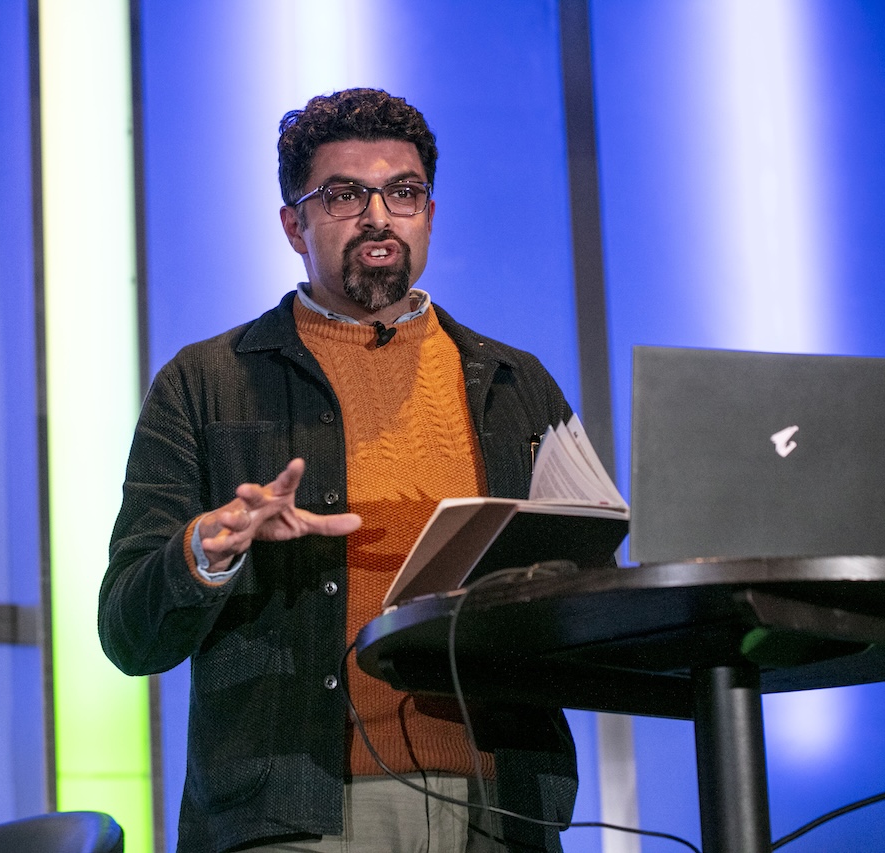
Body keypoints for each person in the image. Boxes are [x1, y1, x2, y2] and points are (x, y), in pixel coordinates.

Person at [100, 88, 577, 853]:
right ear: (295, 224)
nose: (378, 216)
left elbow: (579, 588)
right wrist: (205, 550)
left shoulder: (519, 385)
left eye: (404, 192)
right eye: (345, 195)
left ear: (429, 212)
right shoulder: (205, 382)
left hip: (501, 801)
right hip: (291, 809)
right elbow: (127, 633)